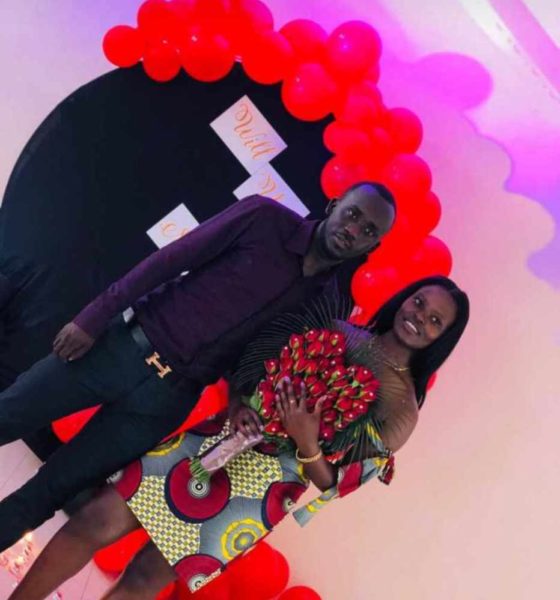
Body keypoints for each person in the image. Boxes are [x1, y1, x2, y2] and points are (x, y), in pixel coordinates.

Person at [8, 276, 470, 600]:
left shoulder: (402, 409)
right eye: (419, 303)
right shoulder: (336, 330)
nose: (420, 318)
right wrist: (244, 402)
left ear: (442, 339)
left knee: (147, 577)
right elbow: (256, 370)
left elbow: (334, 484)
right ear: (406, 298)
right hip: (218, 438)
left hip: (261, 491)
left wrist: (306, 441)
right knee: (94, 519)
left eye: (435, 321)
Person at [0, 182, 396, 552]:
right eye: (352, 214)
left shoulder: (322, 303)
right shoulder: (264, 218)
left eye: (367, 230)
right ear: (334, 205)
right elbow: (171, 259)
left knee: (52, 491)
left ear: (373, 245)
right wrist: (94, 316)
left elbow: (256, 354)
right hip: (121, 348)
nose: (353, 229)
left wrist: (238, 400)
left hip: (164, 403)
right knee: (8, 414)